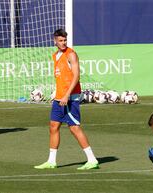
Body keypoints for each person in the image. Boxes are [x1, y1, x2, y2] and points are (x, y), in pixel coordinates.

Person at [34, 29, 99, 170]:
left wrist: (66, 95)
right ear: (55, 41)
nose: (63, 43)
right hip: (59, 98)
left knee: (74, 128)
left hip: (70, 97)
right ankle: (51, 161)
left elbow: (76, 76)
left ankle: (92, 159)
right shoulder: (55, 55)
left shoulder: (71, 55)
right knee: (53, 126)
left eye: (65, 40)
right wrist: (59, 95)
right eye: (60, 40)